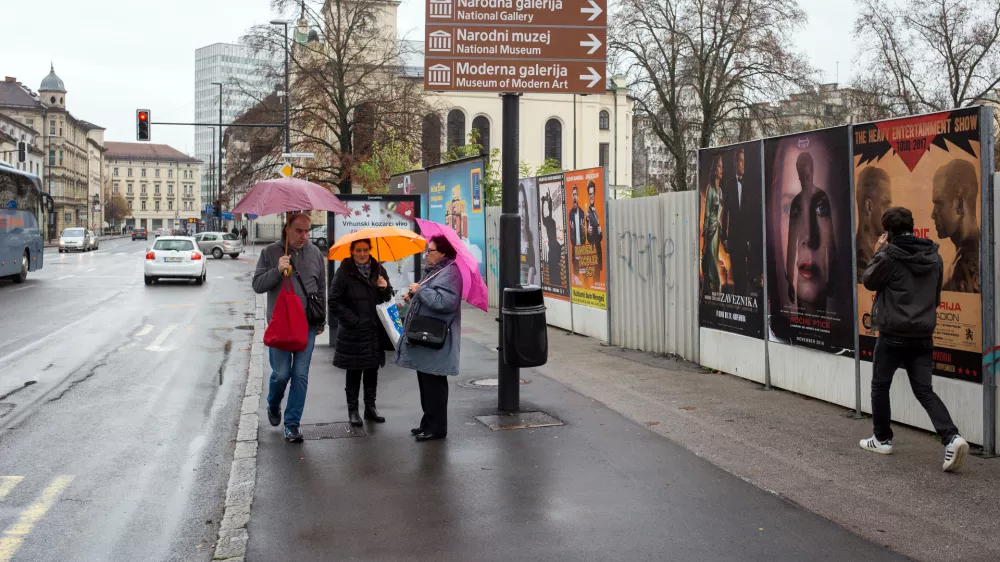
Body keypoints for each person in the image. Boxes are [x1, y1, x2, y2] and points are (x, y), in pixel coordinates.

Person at [860, 206, 969, 472]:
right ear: (912, 225)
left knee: (880, 385)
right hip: (922, 336)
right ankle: (952, 438)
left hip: (892, 335)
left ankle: (882, 439)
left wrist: (878, 251)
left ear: (889, 232)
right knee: (924, 390)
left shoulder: (889, 256)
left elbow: (869, 281)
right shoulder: (935, 256)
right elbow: (935, 299)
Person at [252, 212, 326, 443]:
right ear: (287, 229)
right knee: (281, 375)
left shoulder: (314, 253)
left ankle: (292, 424)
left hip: (307, 325)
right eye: (299, 231)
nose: (304, 235)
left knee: (300, 375)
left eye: (307, 231)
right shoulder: (270, 252)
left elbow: (320, 288)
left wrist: (321, 320)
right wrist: (277, 270)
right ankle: (274, 404)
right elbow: (257, 285)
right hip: (281, 325)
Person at [394, 235, 464, 442]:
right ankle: (428, 422)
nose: (427, 253)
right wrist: (414, 296)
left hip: (435, 338)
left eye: (431, 250)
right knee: (426, 381)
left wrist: (421, 290)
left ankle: (437, 428)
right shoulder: (437, 271)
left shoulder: (450, 272)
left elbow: (446, 302)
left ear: (443, 252)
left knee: (434, 383)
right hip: (426, 337)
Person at [329, 239, 394, 426]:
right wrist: (354, 321)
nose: (363, 254)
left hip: (374, 331)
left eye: (365, 250)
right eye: (358, 250)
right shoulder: (344, 272)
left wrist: (385, 288)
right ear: (352, 251)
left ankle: (370, 408)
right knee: (354, 371)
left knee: (372, 370)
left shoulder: (379, 270)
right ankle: (353, 410)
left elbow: (387, 299)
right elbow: (334, 301)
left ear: (370, 250)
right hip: (354, 332)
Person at [784, 152, 835, 315]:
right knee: (803, 321)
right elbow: (791, 243)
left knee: (820, 322)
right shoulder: (796, 203)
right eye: (801, 176)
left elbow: (831, 240)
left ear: (813, 172)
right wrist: (789, 280)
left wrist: (833, 276)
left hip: (819, 269)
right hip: (803, 270)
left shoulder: (822, 198)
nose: (804, 180)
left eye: (807, 175)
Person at [930, 160, 980, 293]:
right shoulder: (975, 253)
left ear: (959, 205)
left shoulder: (962, 269)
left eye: (939, 204)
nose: (933, 214)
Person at [855, 166, 892, 282]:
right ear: (869, 206)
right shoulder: (862, 266)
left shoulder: (867, 259)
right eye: (886, 205)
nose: (890, 212)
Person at [721, 148, 749, 293]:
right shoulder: (729, 184)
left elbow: (752, 212)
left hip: (748, 238)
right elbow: (724, 212)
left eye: (745, 161)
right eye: (741, 161)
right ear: (735, 163)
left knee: (746, 273)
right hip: (734, 238)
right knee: (738, 273)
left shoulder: (749, 184)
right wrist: (724, 238)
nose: (743, 165)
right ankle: (740, 303)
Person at [701, 154, 724, 293]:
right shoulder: (710, 189)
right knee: (709, 258)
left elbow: (720, 213)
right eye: (719, 166)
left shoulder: (720, 191)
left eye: (722, 166)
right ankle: (715, 286)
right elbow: (707, 214)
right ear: (715, 169)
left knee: (714, 258)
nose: (722, 169)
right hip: (710, 231)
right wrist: (705, 238)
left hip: (717, 231)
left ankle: (713, 289)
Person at [518, 182, 538, 286]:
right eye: (518, 207)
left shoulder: (529, 240)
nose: (521, 213)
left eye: (523, 206)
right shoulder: (511, 240)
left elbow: (532, 267)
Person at [585, 180, 604, 282]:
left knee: (597, 279)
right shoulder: (588, 214)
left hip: (598, 251)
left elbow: (599, 238)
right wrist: (589, 232)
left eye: (592, 193)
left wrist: (600, 232)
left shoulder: (595, 212)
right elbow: (590, 238)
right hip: (594, 252)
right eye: (589, 194)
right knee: (595, 281)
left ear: (595, 194)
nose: (591, 196)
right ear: (588, 195)